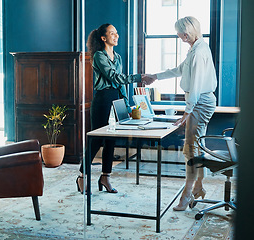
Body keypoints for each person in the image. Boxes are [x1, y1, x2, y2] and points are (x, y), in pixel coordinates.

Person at [142, 16, 217, 210]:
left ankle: (188, 192)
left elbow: (196, 85)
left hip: (200, 102)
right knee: (196, 147)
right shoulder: (195, 49)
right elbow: (178, 70)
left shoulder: (199, 52)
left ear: (186, 32)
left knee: (191, 148)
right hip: (199, 101)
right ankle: (198, 186)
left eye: (178, 32)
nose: (177, 35)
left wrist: (187, 111)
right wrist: (154, 77)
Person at [76, 23, 143, 194]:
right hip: (103, 98)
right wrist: (138, 77)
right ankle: (82, 176)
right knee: (97, 139)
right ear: (103, 38)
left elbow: (120, 85)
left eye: (117, 32)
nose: (116, 36)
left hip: (116, 99)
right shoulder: (99, 56)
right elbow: (113, 77)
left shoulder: (118, 57)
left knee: (112, 139)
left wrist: (127, 105)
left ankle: (105, 176)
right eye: (112, 33)